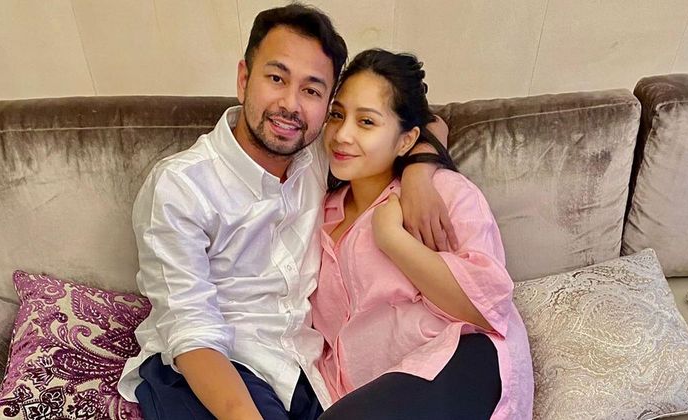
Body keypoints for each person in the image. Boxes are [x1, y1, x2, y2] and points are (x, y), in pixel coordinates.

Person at [116, 4, 452, 420]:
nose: (290, 105)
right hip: (205, 367)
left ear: (328, 104)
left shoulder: (322, 156)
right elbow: (191, 331)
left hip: (301, 369)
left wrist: (418, 174)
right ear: (244, 79)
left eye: (311, 90)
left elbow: (432, 122)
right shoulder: (180, 187)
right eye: (276, 78)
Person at [311, 49, 535, 420]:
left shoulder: (443, 193)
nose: (342, 135)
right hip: (369, 395)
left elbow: (486, 308)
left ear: (405, 140)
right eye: (337, 115)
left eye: (366, 122)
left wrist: (392, 238)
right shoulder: (319, 211)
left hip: (463, 359)